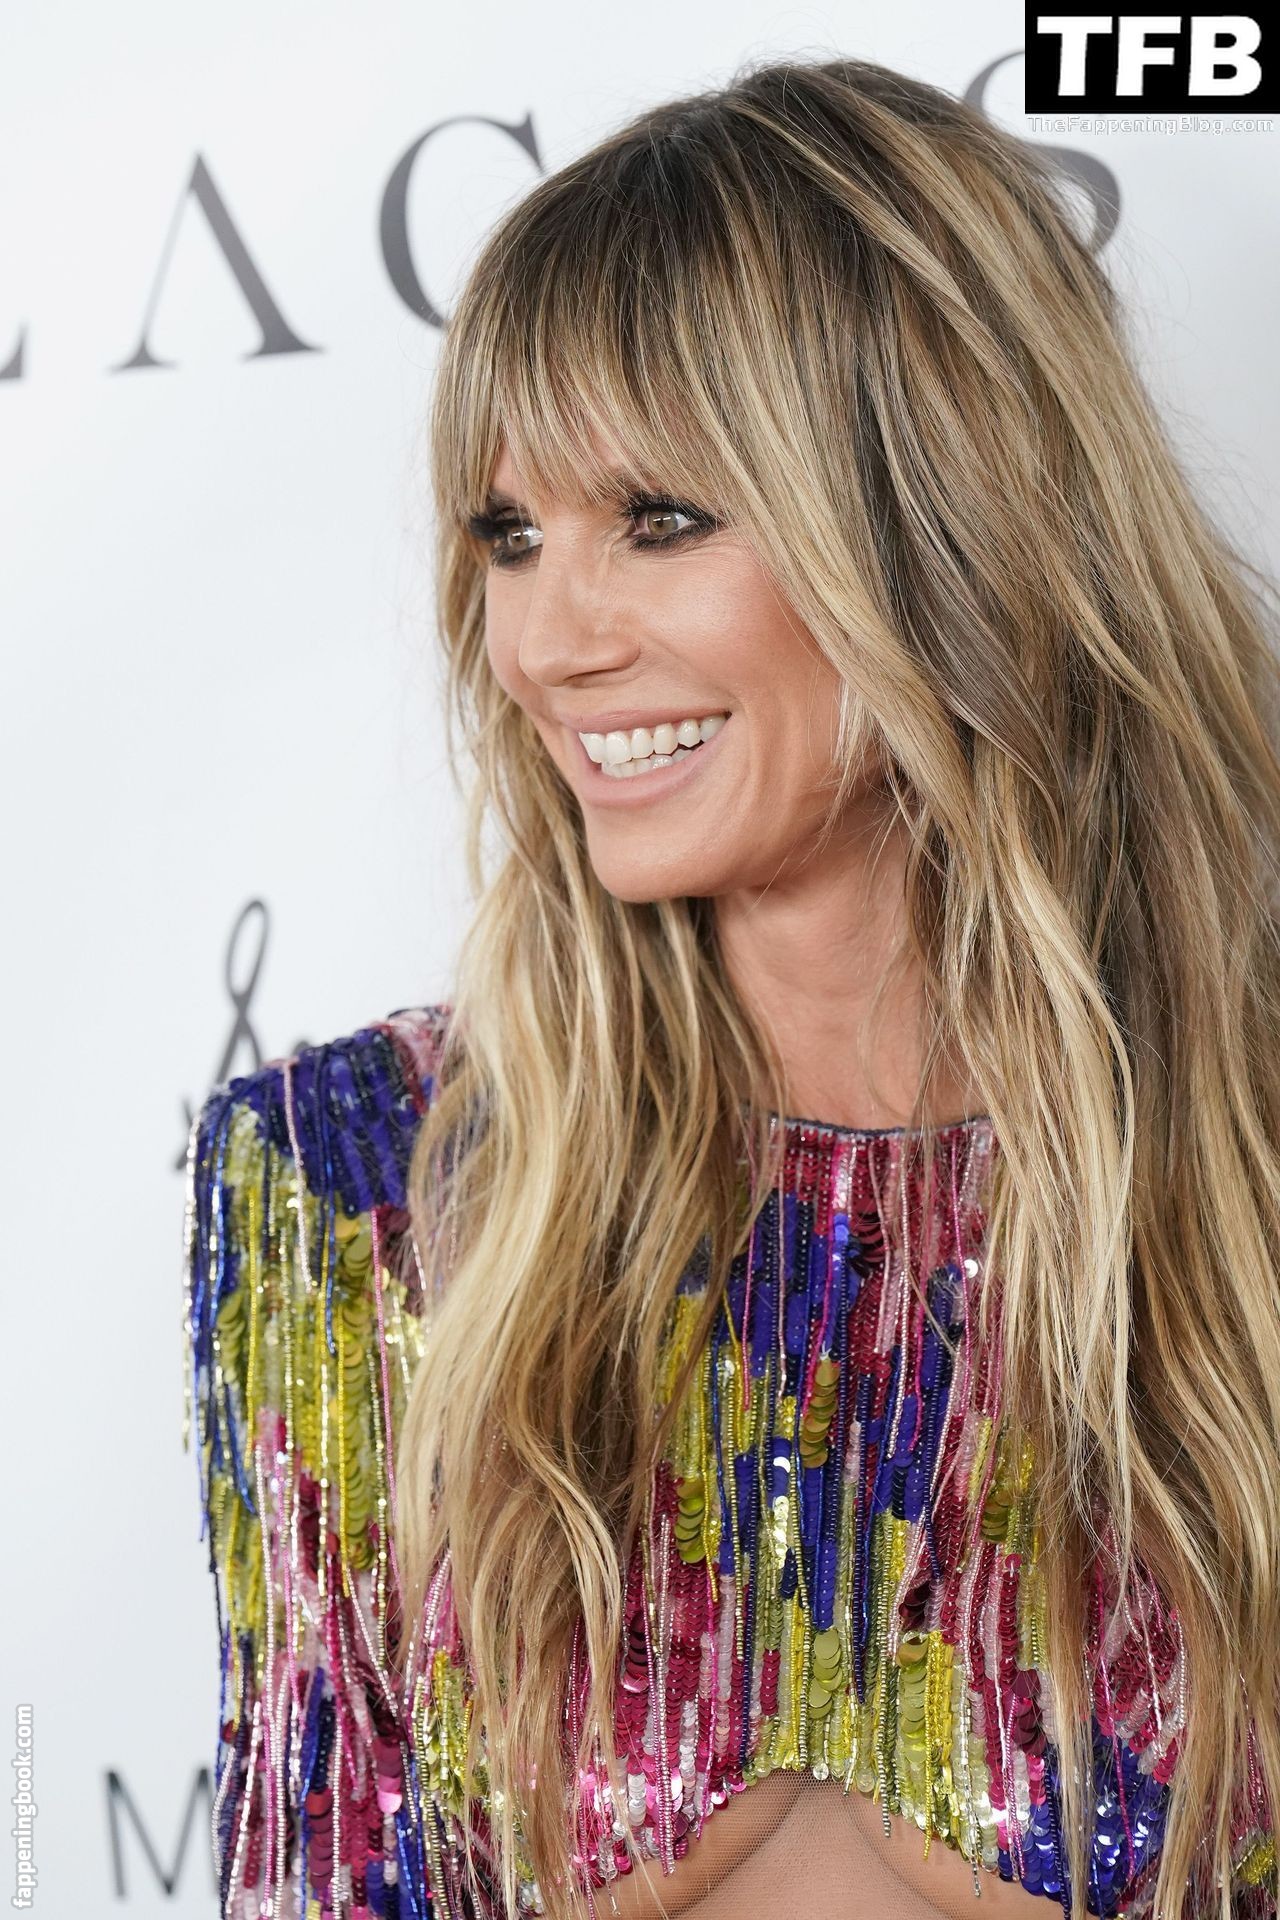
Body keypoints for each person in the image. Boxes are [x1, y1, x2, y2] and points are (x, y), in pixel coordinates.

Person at [182, 53, 1280, 1920]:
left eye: (661, 518)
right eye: (509, 535)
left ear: (944, 518)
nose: (547, 641)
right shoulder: (356, 1186)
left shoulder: (1238, 1190)